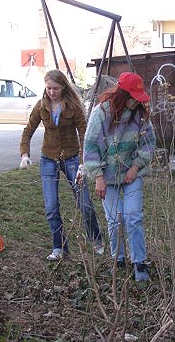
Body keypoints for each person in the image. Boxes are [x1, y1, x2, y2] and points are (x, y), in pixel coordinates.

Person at [19, 69, 104, 261]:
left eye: (55, 88)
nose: (51, 92)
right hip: (48, 159)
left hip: (72, 159)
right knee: (51, 207)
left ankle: (96, 239)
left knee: (84, 203)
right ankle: (59, 247)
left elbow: (85, 133)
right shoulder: (41, 106)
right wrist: (25, 153)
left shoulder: (73, 106)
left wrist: (84, 162)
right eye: (48, 88)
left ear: (63, 87)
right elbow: (28, 130)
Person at [83, 72, 156, 281]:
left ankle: (139, 263)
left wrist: (135, 167)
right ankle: (119, 259)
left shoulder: (140, 116)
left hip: (132, 173)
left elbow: (149, 143)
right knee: (114, 220)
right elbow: (90, 147)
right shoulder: (101, 114)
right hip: (107, 176)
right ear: (122, 94)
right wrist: (97, 176)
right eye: (133, 97)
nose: (136, 102)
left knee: (133, 217)